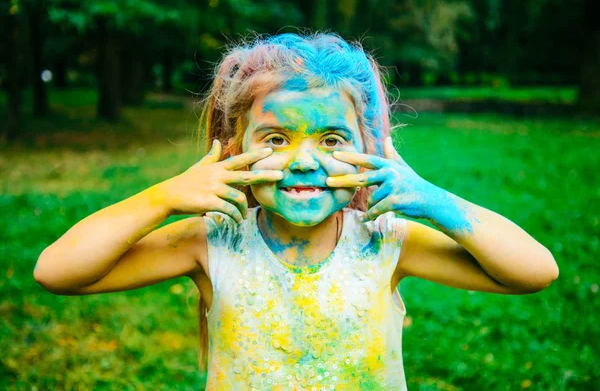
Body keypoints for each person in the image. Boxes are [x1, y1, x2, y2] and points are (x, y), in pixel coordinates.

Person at [34, 32, 559, 390]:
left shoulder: (384, 241)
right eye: (277, 138)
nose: (304, 161)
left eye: (332, 139)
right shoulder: (212, 243)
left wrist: (434, 200)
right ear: (234, 147)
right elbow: (57, 272)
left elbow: (535, 272)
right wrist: (165, 197)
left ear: (367, 148)